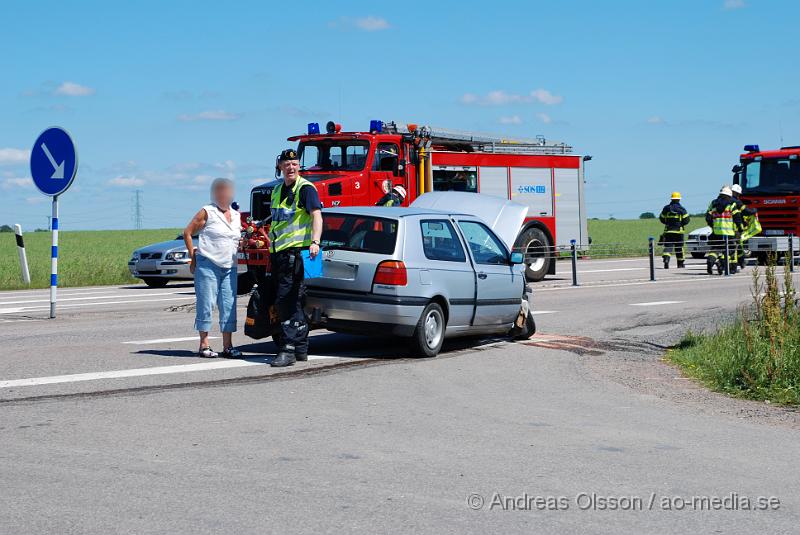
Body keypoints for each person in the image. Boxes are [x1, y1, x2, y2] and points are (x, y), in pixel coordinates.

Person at [269, 149, 323, 367]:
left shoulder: (306, 188)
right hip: (279, 253)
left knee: (286, 300)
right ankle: (301, 347)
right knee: (295, 300)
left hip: (298, 253)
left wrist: (315, 242)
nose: (291, 167)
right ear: (280, 167)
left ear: (299, 167)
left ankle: (288, 348)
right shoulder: (276, 191)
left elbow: (316, 215)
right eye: (287, 164)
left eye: (294, 163)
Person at [184, 178, 242, 358]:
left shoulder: (236, 215)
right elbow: (188, 232)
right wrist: (193, 256)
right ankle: (204, 345)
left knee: (229, 305)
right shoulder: (207, 211)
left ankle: (228, 346)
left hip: (230, 265)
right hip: (208, 263)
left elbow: (235, 239)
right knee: (206, 303)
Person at [705, 185, 742, 275]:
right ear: (729, 195)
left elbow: (708, 217)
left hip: (716, 232)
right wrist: (740, 228)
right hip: (728, 233)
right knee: (731, 249)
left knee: (715, 249)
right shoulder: (731, 204)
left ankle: (710, 261)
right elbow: (737, 218)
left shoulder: (713, 203)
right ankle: (720, 262)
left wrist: (712, 226)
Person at [658, 191, 690, 269]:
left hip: (668, 231)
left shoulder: (666, 208)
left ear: (671, 199)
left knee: (668, 246)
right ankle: (680, 264)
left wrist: (667, 222)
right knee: (679, 248)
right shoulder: (682, 209)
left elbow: (661, 218)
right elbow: (686, 220)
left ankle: (666, 259)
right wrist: (681, 224)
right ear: (679, 199)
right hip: (679, 232)